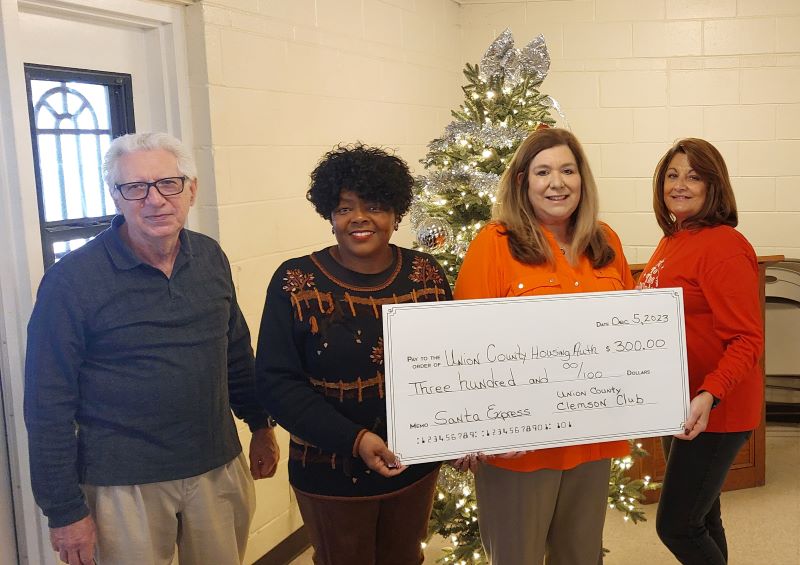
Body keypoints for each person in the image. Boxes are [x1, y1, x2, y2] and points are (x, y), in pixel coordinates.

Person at [24, 132, 280, 565]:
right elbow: (47, 403)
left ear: (191, 190)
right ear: (116, 197)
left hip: (216, 468)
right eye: (135, 188)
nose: (154, 199)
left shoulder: (210, 257)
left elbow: (235, 350)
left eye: (168, 183)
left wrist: (260, 423)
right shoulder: (72, 281)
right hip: (121, 486)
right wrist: (64, 510)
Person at [254, 143, 451, 565]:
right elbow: (276, 384)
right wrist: (356, 440)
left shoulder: (426, 275)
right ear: (330, 216)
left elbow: (453, 364)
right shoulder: (296, 281)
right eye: (344, 208)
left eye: (375, 206)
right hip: (331, 476)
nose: (359, 218)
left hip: (413, 468)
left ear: (396, 215)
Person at [453, 127, 634, 564]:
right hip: (519, 447)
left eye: (568, 170)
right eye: (543, 171)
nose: (558, 183)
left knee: (581, 556)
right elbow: (463, 344)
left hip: (592, 440)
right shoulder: (495, 244)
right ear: (523, 182)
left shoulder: (605, 241)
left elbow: (631, 332)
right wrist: (472, 427)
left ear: (582, 179)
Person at [638, 138, 763, 565]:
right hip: (680, 403)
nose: (680, 184)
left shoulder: (723, 244)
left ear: (714, 185)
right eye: (672, 175)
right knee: (704, 519)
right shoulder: (674, 238)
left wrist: (709, 394)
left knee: (676, 525)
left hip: (714, 410)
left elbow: (747, 339)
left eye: (693, 176)